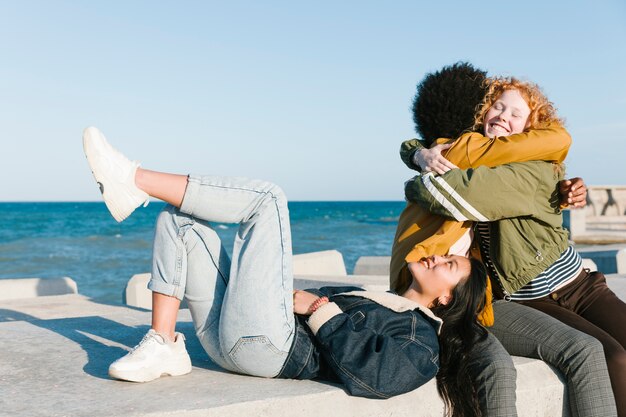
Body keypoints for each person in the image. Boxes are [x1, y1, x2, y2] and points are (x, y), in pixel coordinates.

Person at [82, 127, 488, 413]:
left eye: (448, 264)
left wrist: (319, 310)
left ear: (447, 297)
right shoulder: (378, 295)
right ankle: (164, 344)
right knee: (178, 222)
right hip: (228, 338)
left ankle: (131, 178)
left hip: (271, 350)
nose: (436, 256)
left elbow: (378, 377)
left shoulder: (422, 338)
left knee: (269, 199)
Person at [393, 64, 619, 417]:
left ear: (529, 129)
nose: (503, 116)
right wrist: (418, 154)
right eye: (497, 107)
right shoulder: (470, 155)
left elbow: (445, 187)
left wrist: (418, 176)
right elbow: (436, 153)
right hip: (531, 299)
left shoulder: (527, 167)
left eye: (517, 113)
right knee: (613, 355)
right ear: (482, 111)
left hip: (580, 284)